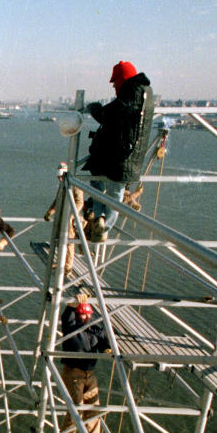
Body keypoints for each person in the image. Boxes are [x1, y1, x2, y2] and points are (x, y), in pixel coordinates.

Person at [82, 61, 154, 242]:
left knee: (101, 185)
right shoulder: (145, 94)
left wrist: (94, 108)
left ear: (122, 79)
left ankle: (102, 223)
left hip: (118, 158)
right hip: (130, 159)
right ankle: (103, 224)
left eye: (115, 82)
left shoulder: (132, 93)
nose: (114, 86)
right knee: (114, 192)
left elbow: (107, 115)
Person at [58, 296, 111, 433]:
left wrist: (107, 349)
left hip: (89, 373)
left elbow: (104, 341)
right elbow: (65, 317)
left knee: (94, 408)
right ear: (77, 315)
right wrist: (73, 305)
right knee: (77, 406)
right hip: (73, 372)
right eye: (82, 315)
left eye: (88, 314)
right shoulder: (71, 328)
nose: (86, 317)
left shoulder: (94, 329)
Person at [43, 162, 88, 275]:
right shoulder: (62, 184)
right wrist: (50, 211)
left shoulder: (75, 185)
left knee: (68, 242)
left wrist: (71, 215)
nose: (59, 178)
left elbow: (80, 202)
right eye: (58, 176)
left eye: (60, 176)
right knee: (59, 239)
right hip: (61, 217)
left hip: (69, 218)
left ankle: (68, 266)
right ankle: (60, 262)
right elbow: (57, 200)